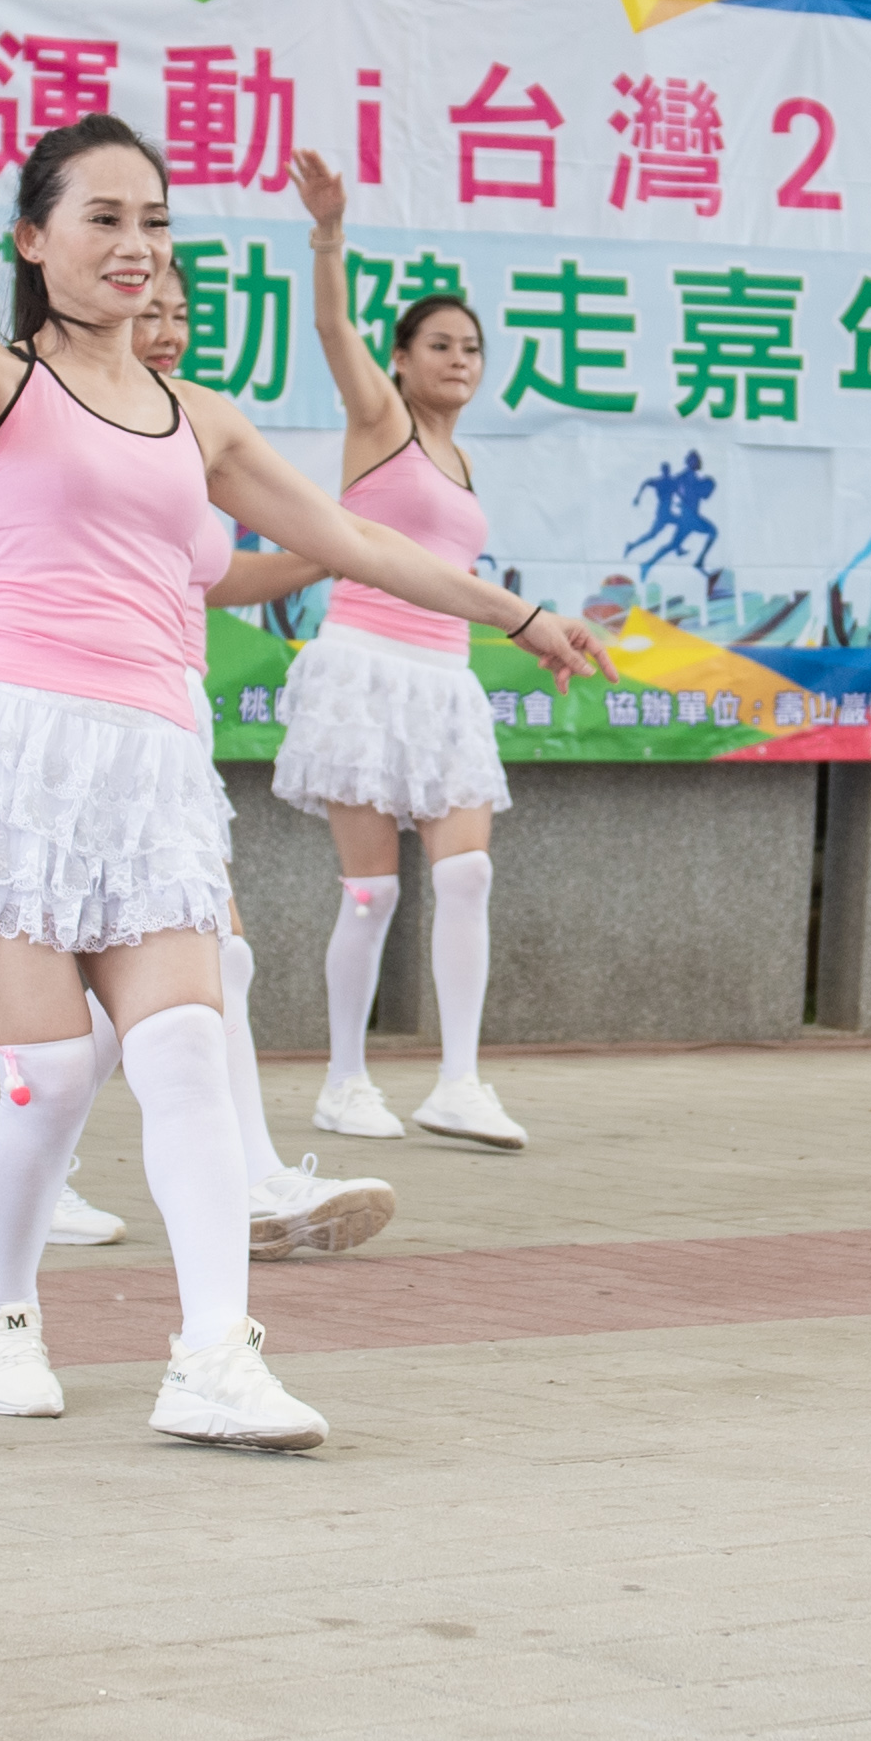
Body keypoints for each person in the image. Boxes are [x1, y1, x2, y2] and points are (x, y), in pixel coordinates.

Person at [0, 79, 607, 1448]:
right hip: (9, 752)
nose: (137, 245)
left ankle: (213, 1358)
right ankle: (7, 1309)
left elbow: (357, 541)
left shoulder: (203, 418)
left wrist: (516, 611)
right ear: (31, 240)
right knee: (54, 1079)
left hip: (153, 767)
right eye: (104, 217)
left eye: (156, 224)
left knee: (183, 1052)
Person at [39, 299, 402, 1265]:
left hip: (170, 718)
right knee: (187, 959)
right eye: (144, 306)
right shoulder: (70, 414)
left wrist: (317, 549)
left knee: (182, 968)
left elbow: (212, 573)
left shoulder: (189, 428)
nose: (163, 326)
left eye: (180, 313)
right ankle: (239, 1177)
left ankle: (79, 1170)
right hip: (79, 722)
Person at [271, 146, 535, 1150]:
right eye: (440, 344)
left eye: (472, 346)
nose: (460, 359)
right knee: (372, 889)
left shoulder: (464, 457)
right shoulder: (381, 420)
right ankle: (344, 1079)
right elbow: (333, 326)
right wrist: (329, 233)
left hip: (447, 680)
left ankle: (460, 1082)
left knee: (466, 875)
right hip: (365, 669)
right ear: (403, 358)